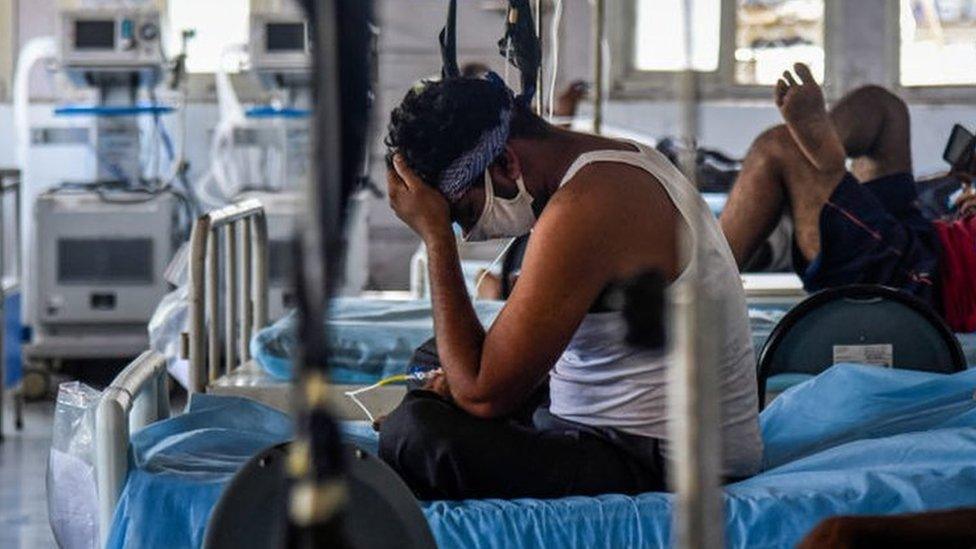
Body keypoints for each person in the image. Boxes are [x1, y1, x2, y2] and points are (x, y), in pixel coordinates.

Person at [379, 73, 762, 500]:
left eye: (464, 212)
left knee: (415, 436)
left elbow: (482, 396)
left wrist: (436, 239)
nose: (469, 232)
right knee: (433, 359)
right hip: (618, 428)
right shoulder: (614, 161)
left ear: (507, 162)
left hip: (660, 460)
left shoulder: (588, 204)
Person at [720, 63, 976, 331]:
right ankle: (821, 145)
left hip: (928, 284)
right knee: (882, 107)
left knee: (777, 147)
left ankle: (697, 286)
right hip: (933, 239)